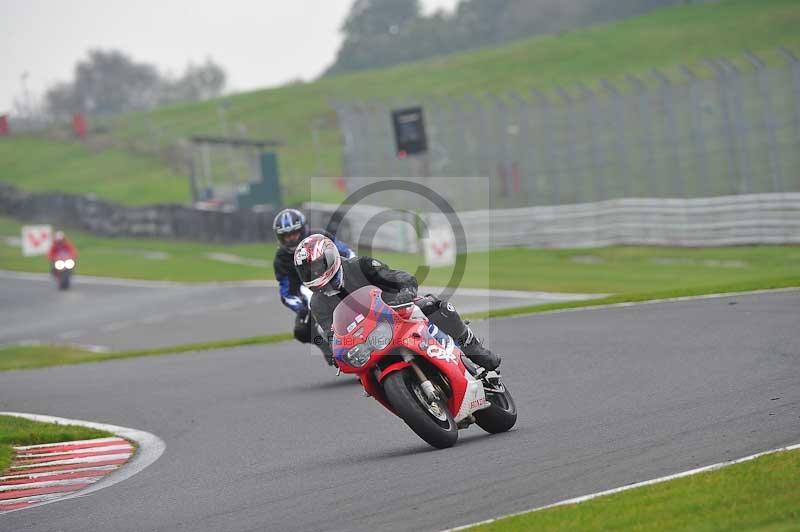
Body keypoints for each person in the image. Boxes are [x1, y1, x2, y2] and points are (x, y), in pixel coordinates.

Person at [293, 233, 500, 372]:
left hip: (399, 312)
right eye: (308, 271)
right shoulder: (317, 303)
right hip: (369, 340)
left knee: (434, 306)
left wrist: (406, 291)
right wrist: (336, 351)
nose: (315, 274)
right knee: (364, 374)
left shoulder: (361, 266)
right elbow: (332, 335)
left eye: (318, 267)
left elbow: (400, 277)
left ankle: (475, 350)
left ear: (330, 257)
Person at [272, 208, 354, 366]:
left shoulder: (319, 237)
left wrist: (352, 269)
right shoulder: (281, 259)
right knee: (302, 329)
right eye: (286, 236)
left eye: (293, 234)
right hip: (312, 293)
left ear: (302, 229)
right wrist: (301, 308)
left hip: (338, 278)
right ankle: (329, 350)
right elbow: (287, 292)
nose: (290, 239)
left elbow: (347, 252)